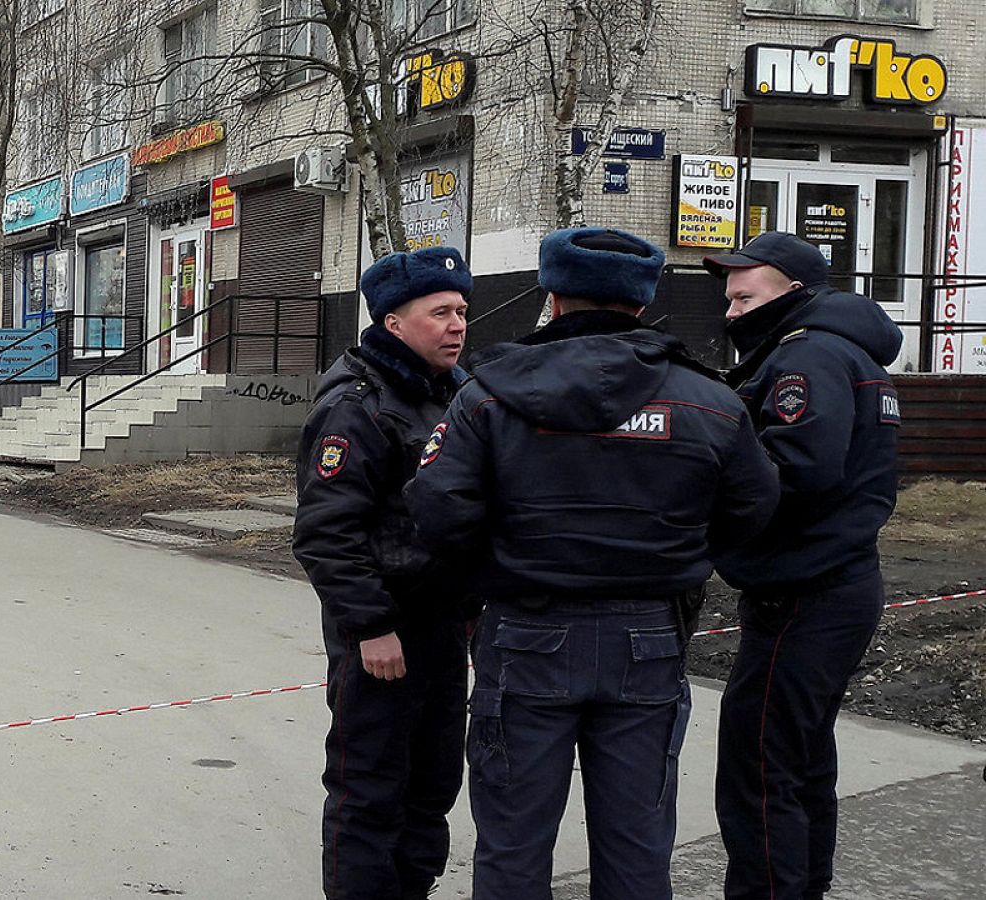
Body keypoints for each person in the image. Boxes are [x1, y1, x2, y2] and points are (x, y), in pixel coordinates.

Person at [406, 228, 780, 900]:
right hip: (648, 638)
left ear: (551, 294)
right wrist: (679, 555)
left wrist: (495, 571)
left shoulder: (487, 395)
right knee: (636, 851)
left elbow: (438, 512)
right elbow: (754, 508)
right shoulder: (710, 400)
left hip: (524, 635)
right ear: (644, 299)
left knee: (513, 849)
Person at [703, 231, 904, 900]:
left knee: (759, 772)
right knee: (801, 764)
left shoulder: (809, 356)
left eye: (744, 297)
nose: (731, 313)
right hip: (833, 584)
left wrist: (704, 501)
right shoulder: (842, 351)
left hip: (803, 594)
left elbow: (795, 471)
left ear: (794, 291)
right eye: (728, 300)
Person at [293, 244, 475, 900]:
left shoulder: (454, 394)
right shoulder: (359, 404)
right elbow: (325, 532)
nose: (457, 325)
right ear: (393, 323)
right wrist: (371, 624)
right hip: (381, 634)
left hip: (442, 626)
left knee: (430, 787)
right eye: (440, 313)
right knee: (369, 789)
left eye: (461, 311)